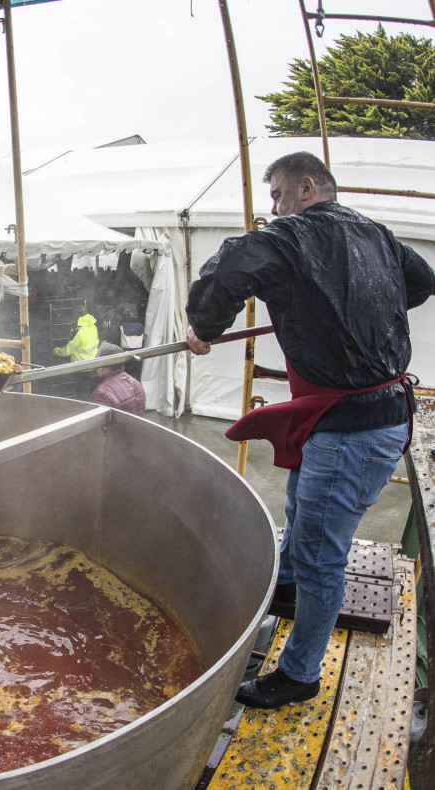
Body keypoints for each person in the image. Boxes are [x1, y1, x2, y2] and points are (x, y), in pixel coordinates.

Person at [185, 151, 435, 709]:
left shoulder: (294, 235)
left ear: (305, 187)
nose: (271, 208)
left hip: (353, 430)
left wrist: (202, 326)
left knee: (325, 553)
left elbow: (229, 266)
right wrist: (335, 310)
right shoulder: (376, 234)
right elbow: (421, 283)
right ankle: (290, 582)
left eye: (275, 194)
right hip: (374, 418)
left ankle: (299, 674)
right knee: (302, 505)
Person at [87, 342, 146, 416]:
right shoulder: (136, 383)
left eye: (96, 362)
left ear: (101, 365)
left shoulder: (101, 394)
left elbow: (93, 423)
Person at [54, 312, 100, 398]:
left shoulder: (77, 332)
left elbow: (66, 351)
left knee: (82, 396)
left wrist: (55, 350)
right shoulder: (93, 327)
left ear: (77, 317)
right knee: (93, 394)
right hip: (94, 366)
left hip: (82, 369)